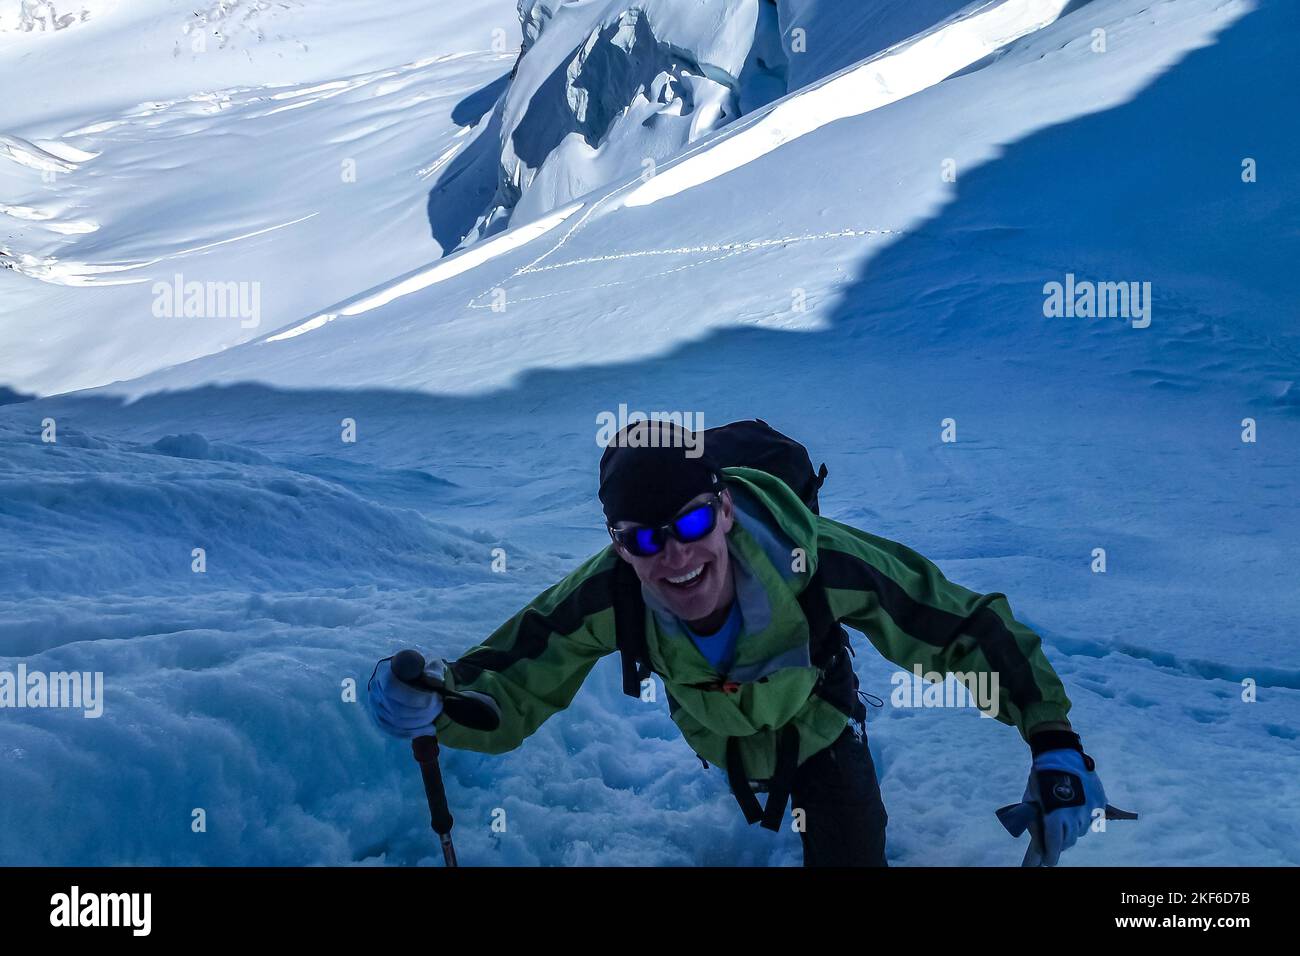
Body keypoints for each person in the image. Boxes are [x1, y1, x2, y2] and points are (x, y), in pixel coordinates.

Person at [368, 420, 1108, 866]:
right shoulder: (613, 590)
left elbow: (960, 624)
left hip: (816, 723)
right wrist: (432, 706)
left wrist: (1052, 738)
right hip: (719, 733)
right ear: (619, 548)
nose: (676, 557)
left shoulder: (815, 560)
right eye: (645, 540)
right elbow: (513, 679)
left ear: (722, 510)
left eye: (690, 523)